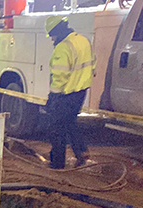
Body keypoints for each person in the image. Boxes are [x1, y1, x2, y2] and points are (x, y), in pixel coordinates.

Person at [45, 16, 95, 169]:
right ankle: (81, 152)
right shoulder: (83, 40)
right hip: (81, 91)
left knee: (57, 127)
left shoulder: (63, 47)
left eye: (52, 35)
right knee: (70, 122)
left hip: (65, 94)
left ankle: (57, 162)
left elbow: (60, 76)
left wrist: (53, 96)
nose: (52, 39)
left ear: (57, 31)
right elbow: (93, 63)